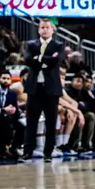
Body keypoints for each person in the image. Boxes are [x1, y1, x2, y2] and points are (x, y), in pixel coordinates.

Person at [19, 17, 65, 162]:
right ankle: (28, 151)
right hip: (34, 88)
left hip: (51, 90)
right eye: (42, 27)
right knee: (31, 121)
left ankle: (48, 152)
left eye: (47, 27)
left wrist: (38, 59)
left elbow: (56, 61)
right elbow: (27, 60)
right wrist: (46, 59)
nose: (44, 30)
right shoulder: (31, 44)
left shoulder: (58, 45)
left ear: (52, 30)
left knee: (50, 122)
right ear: (38, 29)